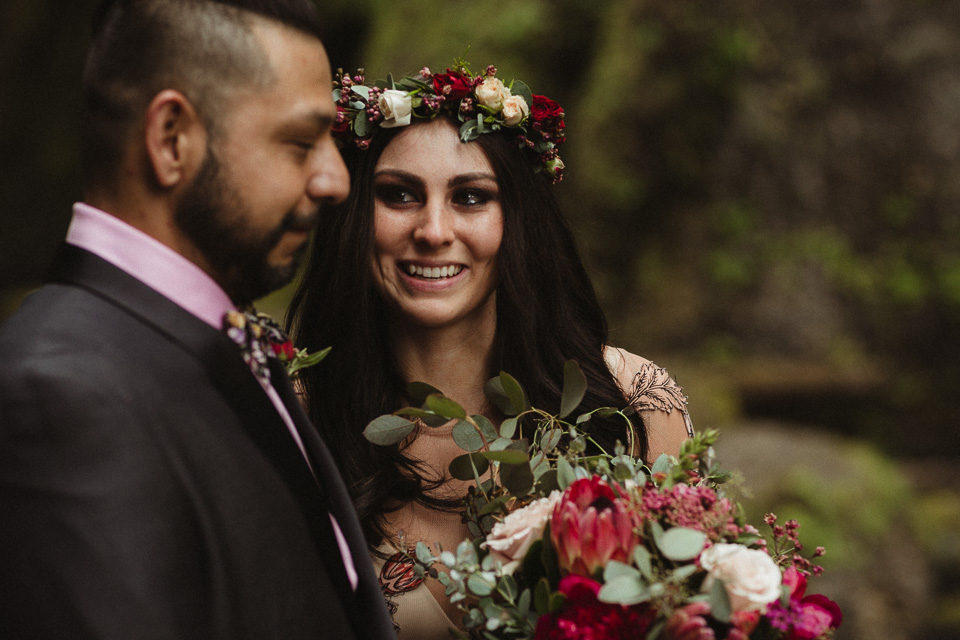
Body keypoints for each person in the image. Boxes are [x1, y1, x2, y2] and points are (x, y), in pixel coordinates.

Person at [0, 1, 396, 638]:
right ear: (171, 140)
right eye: (301, 142)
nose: (335, 180)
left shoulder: (199, 341)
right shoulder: (61, 394)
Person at [287, 63, 695, 638]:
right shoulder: (292, 416)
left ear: (517, 220)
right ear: (354, 216)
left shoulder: (632, 403)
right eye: (399, 194)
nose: (432, 230)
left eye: (471, 197)